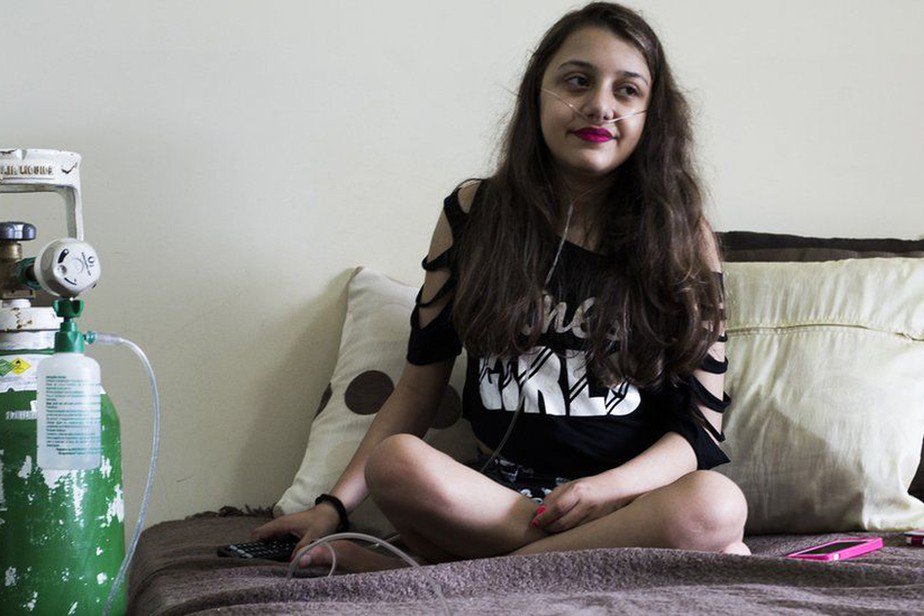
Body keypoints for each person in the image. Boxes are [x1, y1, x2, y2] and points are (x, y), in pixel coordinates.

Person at [254, 1, 750, 571]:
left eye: (627, 90)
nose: (599, 105)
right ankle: (557, 567)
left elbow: (699, 429)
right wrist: (333, 508)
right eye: (578, 81)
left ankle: (456, 575)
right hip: (497, 501)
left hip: (624, 504)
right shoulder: (473, 214)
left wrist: (608, 489)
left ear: (652, 115)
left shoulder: (684, 236)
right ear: (537, 92)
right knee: (397, 461)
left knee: (717, 503)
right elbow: (417, 390)